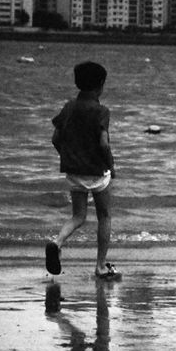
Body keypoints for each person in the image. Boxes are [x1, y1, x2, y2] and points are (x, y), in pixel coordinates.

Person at [45, 61, 120, 279]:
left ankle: (57, 242)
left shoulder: (68, 107)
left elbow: (55, 138)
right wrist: (111, 166)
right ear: (100, 86)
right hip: (97, 172)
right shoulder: (101, 111)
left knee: (78, 216)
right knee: (104, 217)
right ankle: (99, 266)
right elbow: (104, 143)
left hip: (74, 171)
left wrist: (67, 156)